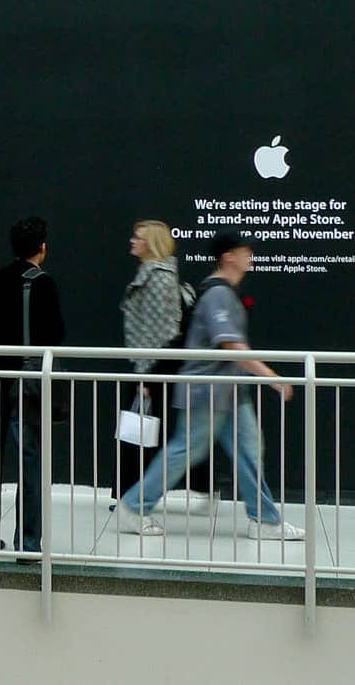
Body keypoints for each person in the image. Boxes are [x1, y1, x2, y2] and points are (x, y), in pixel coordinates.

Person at [120, 232, 302, 539]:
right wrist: (273, 379)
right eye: (246, 252)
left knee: (248, 452)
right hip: (207, 390)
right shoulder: (218, 295)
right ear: (229, 256)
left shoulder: (223, 292)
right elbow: (231, 345)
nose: (250, 257)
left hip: (229, 390)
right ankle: (134, 505)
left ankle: (265, 520)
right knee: (186, 449)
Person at [0, 214, 63, 553]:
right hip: (26, 388)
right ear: (42, 248)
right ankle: (30, 543)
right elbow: (55, 334)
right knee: (29, 463)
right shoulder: (43, 284)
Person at [114, 220, 186, 505]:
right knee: (139, 435)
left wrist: (145, 375)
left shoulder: (157, 279)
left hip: (151, 370)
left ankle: (136, 498)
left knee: (143, 437)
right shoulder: (151, 274)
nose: (133, 241)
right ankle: (132, 495)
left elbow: (158, 332)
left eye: (139, 237)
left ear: (151, 243)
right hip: (147, 368)